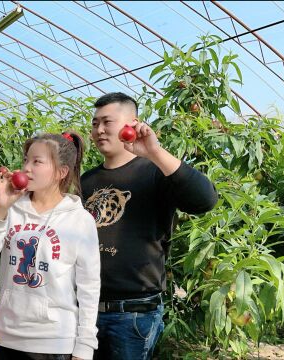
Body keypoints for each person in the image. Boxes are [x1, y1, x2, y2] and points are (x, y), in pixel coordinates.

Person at [80, 92, 218, 360]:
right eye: (95, 123)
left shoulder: (155, 172)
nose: (99, 130)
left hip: (132, 314)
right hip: (85, 309)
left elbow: (205, 200)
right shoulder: (86, 181)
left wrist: (154, 152)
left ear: (133, 123)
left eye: (107, 122)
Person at [0, 132, 100, 360]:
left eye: (37, 161)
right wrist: (1, 208)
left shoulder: (80, 220)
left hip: (53, 342)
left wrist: (84, 347)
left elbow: (89, 287)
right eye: (25, 160)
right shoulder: (12, 209)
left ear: (61, 173)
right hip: (6, 336)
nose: (26, 168)